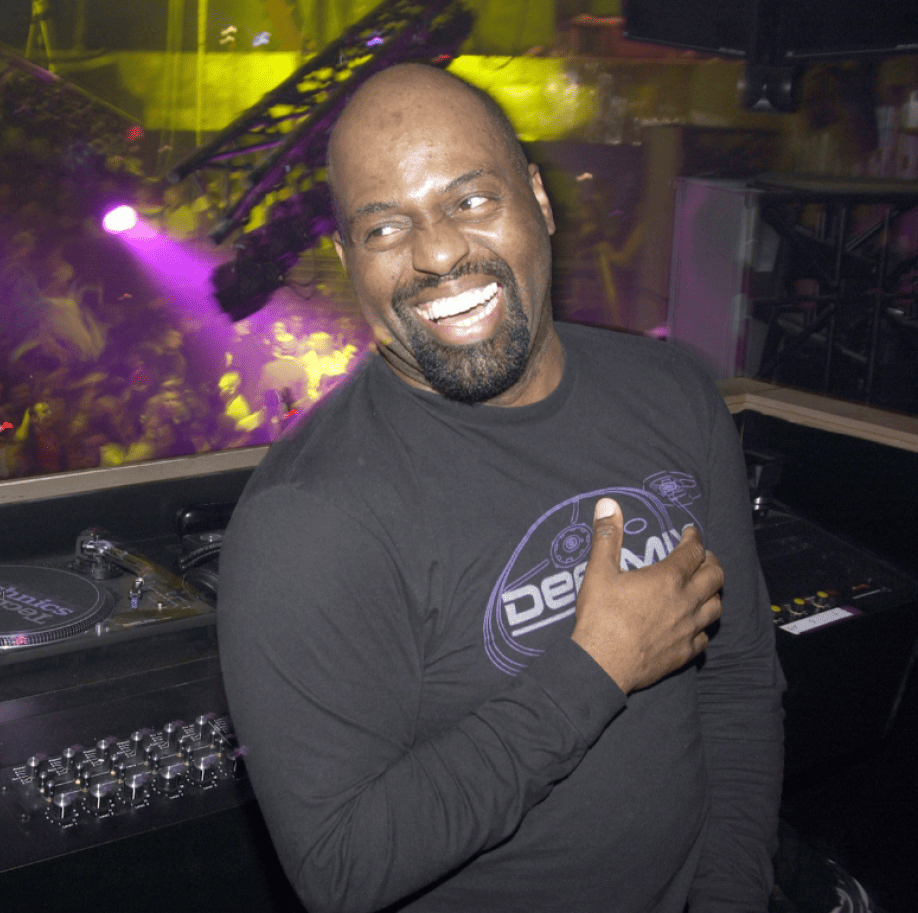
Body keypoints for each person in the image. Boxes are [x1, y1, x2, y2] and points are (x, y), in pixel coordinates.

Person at [216, 63, 784, 913]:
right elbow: (341, 868)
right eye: (384, 229)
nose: (438, 252)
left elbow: (738, 683)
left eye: (471, 200)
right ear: (347, 261)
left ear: (539, 200)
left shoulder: (672, 395)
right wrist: (594, 666)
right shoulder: (306, 522)